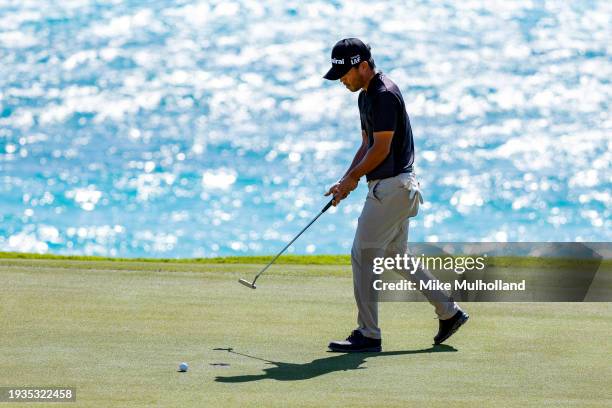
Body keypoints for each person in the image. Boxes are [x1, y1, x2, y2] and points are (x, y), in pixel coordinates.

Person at [322, 38, 469, 352]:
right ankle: (449, 312)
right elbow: (365, 146)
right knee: (396, 256)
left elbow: (381, 149)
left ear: (364, 66)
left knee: (362, 254)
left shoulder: (385, 95)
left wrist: (352, 180)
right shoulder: (365, 98)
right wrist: (344, 180)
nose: (342, 81)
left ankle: (368, 334)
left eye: (345, 74)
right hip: (396, 189)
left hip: (392, 188)